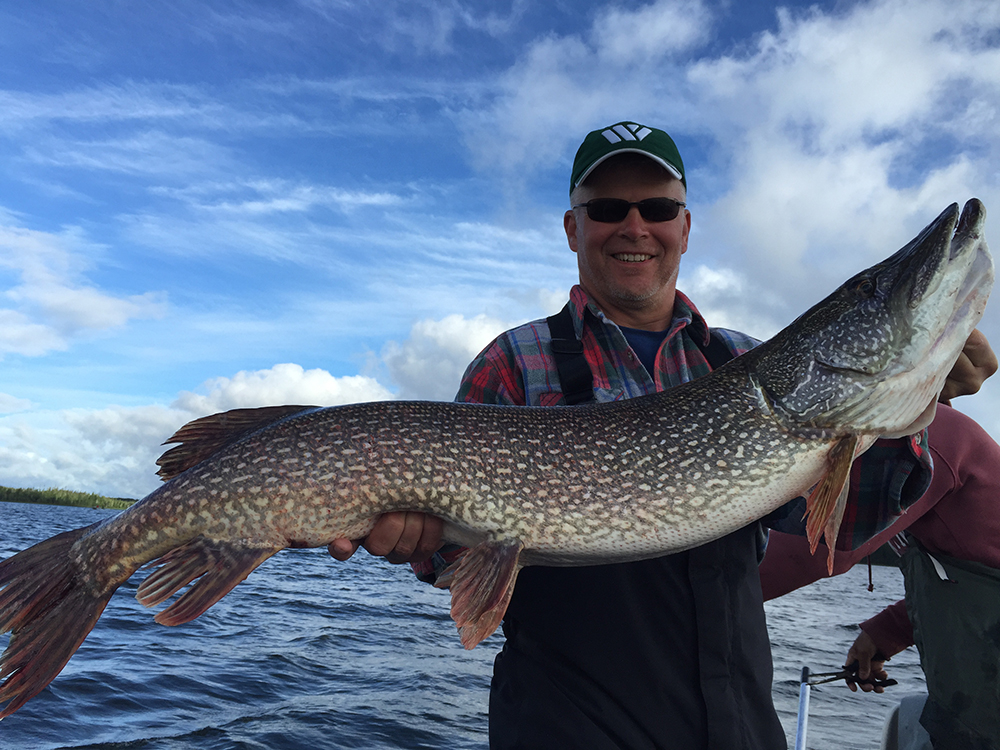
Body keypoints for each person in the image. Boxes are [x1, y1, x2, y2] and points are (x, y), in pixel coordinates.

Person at [328, 121, 995, 749]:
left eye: (657, 208)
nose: (635, 227)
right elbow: (452, 559)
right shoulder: (514, 362)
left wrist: (919, 406)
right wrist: (424, 543)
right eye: (608, 208)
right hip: (564, 724)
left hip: (734, 721)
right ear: (573, 227)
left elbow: (843, 521)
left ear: (685, 226)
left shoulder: (742, 363)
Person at [759, 399, 1000, 750]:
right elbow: (965, 582)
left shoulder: (928, 434)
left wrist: (680, 588)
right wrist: (887, 632)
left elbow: (819, 550)